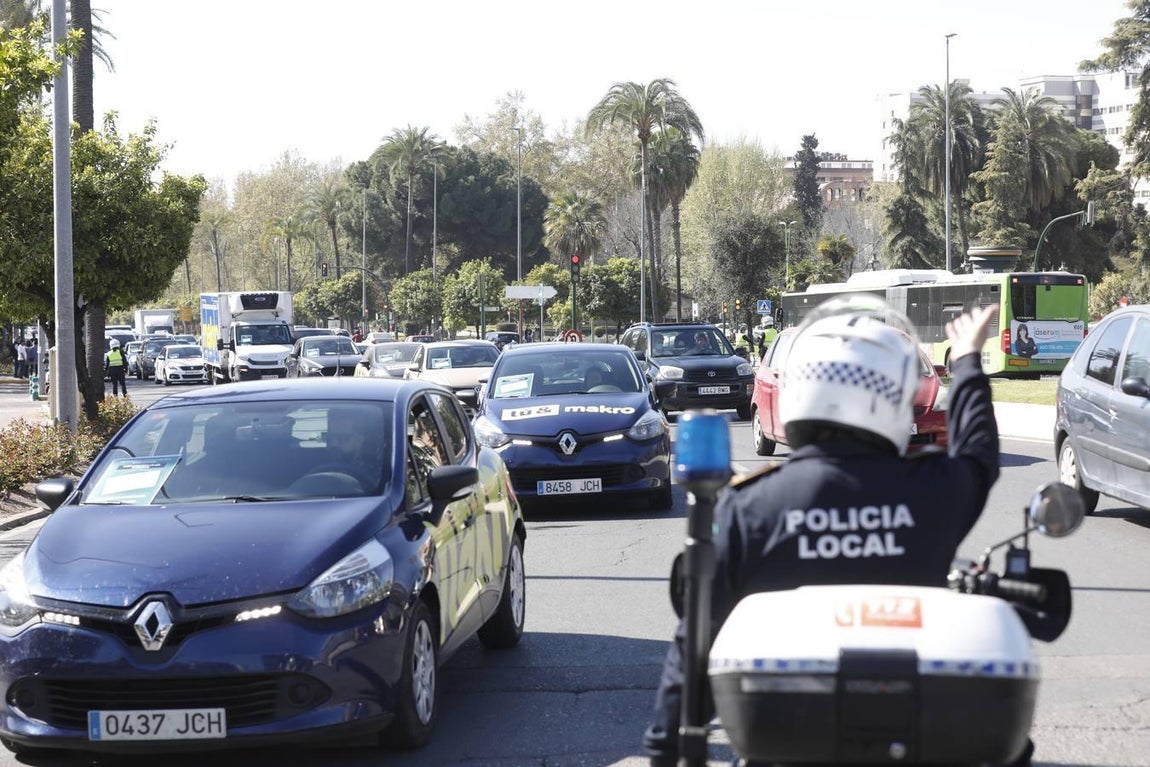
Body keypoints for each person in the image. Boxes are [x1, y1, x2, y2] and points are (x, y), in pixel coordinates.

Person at [643, 298, 1005, 767]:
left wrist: (662, 748)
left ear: (797, 391)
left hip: (783, 740)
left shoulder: (749, 504)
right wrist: (969, 359)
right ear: (892, 397)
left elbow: (695, 641)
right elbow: (978, 452)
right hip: (910, 735)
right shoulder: (935, 490)